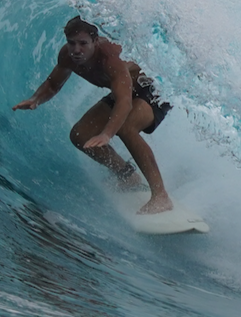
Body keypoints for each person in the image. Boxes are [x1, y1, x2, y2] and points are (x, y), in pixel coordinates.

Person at [13, 16, 175, 214]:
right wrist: (36, 99)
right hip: (127, 90)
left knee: (126, 127)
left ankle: (161, 196)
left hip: (155, 88)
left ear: (95, 41)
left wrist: (107, 134)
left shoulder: (110, 59)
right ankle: (127, 176)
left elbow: (124, 104)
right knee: (80, 134)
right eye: (71, 43)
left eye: (83, 43)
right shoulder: (67, 56)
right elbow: (54, 84)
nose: (76, 50)